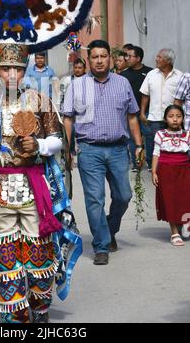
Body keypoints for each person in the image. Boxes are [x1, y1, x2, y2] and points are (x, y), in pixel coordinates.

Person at [0, 43, 70, 323]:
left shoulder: (40, 101)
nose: (12, 74)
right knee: (4, 252)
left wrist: (39, 145)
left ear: (25, 71)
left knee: (39, 250)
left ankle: (40, 308)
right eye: (6, 68)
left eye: (18, 69)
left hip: (34, 184)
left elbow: (58, 139)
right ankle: (14, 315)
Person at [63, 40, 142, 265]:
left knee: (123, 195)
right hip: (89, 150)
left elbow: (132, 116)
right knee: (95, 199)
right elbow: (68, 119)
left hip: (118, 149)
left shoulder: (123, 83)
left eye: (103, 56)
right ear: (89, 61)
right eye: (95, 57)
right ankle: (101, 245)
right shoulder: (77, 86)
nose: (99, 60)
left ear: (110, 58)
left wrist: (139, 145)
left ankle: (108, 228)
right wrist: (68, 150)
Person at [151, 104, 190, 246]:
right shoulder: (160, 134)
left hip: (184, 170)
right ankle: (174, 232)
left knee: (185, 199)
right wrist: (154, 172)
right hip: (166, 171)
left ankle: (183, 225)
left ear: (183, 119)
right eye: (171, 116)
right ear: (165, 119)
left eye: (178, 116)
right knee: (170, 200)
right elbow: (156, 154)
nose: (175, 119)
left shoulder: (187, 135)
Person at [140, 49, 183, 171]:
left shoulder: (179, 76)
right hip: (155, 117)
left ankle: (170, 166)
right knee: (156, 144)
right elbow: (145, 94)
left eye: (159, 57)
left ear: (168, 61)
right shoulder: (151, 74)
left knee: (172, 143)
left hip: (173, 118)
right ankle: (157, 169)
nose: (156, 59)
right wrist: (143, 112)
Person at [120, 45, 153, 171]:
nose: (126, 58)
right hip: (129, 113)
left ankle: (149, 162)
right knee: (132, 138)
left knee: (149, 136)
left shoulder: (150, 72)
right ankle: (136, 163)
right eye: (126, 56)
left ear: (138, 58)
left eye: (130, 56)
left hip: (147, 111)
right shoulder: (123, 75)